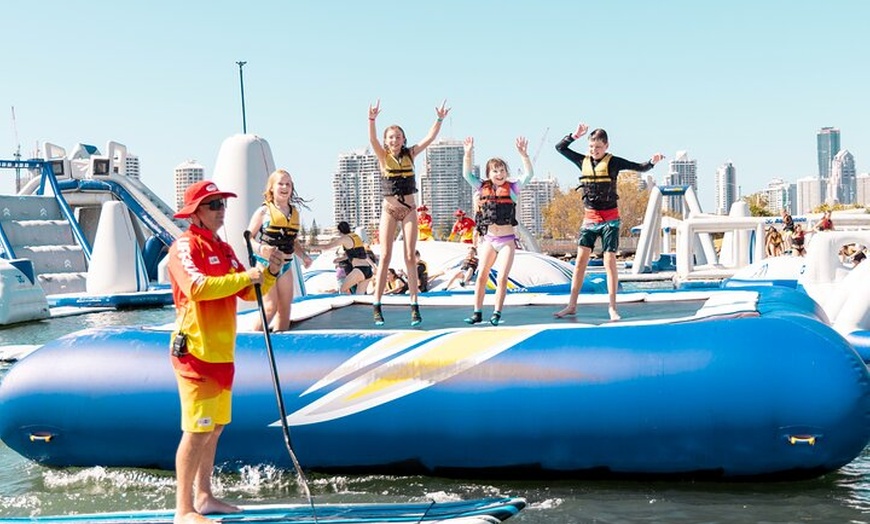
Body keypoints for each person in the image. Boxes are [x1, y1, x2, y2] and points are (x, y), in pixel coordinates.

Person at [168, 180, 285, 524]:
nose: (221, 210)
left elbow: (251, 293)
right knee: (197, 429)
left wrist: (271, 271)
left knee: (214, 428)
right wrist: (247, 277)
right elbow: (197, 287)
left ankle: (204, 497)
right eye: (214, 204)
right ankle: (183, 510)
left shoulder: (224, 247)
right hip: (196, 353)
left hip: (222, 354)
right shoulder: (184, 247)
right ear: (196, 212)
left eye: (222, 204)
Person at [552, 123, 664, 322]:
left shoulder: (614, 162)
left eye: (598, 147)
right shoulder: (582, 161)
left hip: (610, 220)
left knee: (609, 262)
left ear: (606, 146)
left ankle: (612, 307)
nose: (594, 151)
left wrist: (652, 162)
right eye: (591, 147)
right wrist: (574, 135)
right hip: (590, 218)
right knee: (579, 263)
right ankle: (571, 305)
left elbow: (639, 167)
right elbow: (560, 148)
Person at [368, 99, 450, 326]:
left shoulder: (411, 154)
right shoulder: (383, 157)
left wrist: (440, 119)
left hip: (410, 210)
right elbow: (372, 139)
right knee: (384, 256)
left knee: (409, 258)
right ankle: (377, 303)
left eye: (398, 137)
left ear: (403, 139)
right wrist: (372, 120)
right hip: (389, 210)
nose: (394, 140)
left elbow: (430, 138)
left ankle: (414, 305)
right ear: (386, 141)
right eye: (390, 137)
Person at [462, 136, 533, 326]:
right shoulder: (481, 187)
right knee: (481, 275)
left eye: (502, 170)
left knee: (502, 278)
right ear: (489, 174)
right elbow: (467, 175)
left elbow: (528, 175)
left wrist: (524, 155)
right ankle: (477, 312)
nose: (500, 174)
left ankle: (497, 312)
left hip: (507, 240)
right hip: (490, 240)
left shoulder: (512, 189)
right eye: (495, 171)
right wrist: (468, 153)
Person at [246, 169, 313, 332]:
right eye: (280, 184)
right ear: (271, 188)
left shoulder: (294, 213)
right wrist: (261, 249)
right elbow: (247, 237)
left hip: (286, 265)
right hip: (265, 264)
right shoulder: (264, 211)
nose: (284, 187)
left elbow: (292, 241)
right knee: (270, 307)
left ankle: (280, 342)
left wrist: (304, 256)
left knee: (285, 310)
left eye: (288, 184)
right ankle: (253, 341)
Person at [320, 221, 376, 294]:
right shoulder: (356, 240)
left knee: (343, 290)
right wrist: (374, 267)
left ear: (340, 231)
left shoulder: (346, 240)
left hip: (357, 270)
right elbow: (364, 255)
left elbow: (327, 247)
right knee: (359, 296)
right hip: (366, 269)